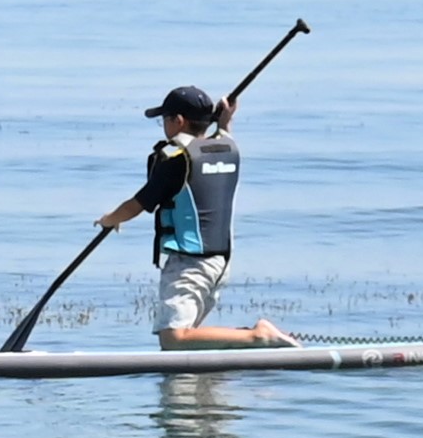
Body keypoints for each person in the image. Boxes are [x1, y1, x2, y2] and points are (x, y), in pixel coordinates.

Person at [94, 85, 299, 350]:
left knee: (174, 338)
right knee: (190, 339)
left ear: (178, 121)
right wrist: (226, 122)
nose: (163, 126)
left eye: (164, 119)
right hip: (220, 262)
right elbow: (220, 136)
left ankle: (259, 336)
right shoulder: (228, 149)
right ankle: (219, 375)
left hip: (190, 262)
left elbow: (140, 203)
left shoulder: (175, 160)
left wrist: (111, 218)